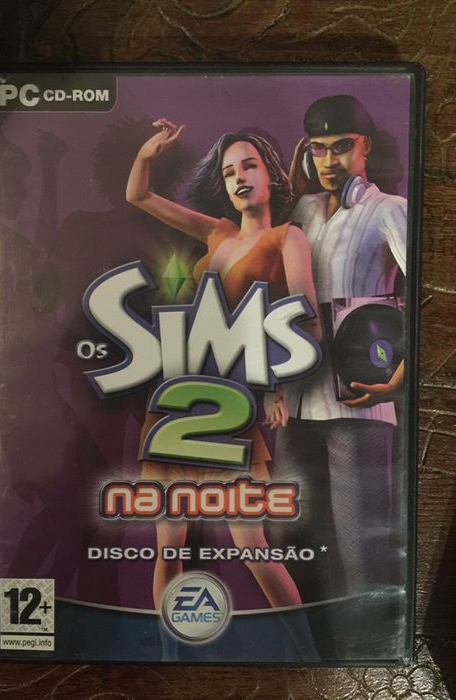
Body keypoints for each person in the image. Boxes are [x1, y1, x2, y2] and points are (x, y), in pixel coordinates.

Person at [126, 118, 321, 609]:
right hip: (177, 397)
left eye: (249, 166)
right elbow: (139, 196)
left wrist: (274, 385)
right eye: (229, 171)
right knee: (168, 549)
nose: (238, 178)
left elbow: (307, 324)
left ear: (271, 175)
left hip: (233, 402)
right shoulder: (219, 231)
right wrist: (147, 154)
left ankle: (305, 648)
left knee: (252, 546)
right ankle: (170, 646)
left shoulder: (287, 238)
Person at [280, 94, 407, 594]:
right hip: (296, 399)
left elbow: (430, 294)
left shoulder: (387, 209)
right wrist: (296, 179)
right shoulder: (303, 210)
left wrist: (400, 378)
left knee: (362, 551)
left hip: (359, 400)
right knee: (290, 542)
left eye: (341, 147)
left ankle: (371, 635)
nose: (329, 160)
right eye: (318, 148)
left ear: (364, 146)